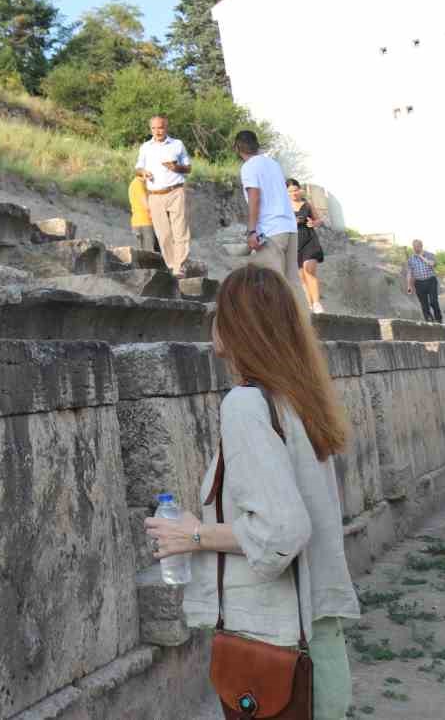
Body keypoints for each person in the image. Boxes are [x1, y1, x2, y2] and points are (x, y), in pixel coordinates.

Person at [145, 265, 358, 720]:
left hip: (275, 650)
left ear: (235, 325)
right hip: (315, 644)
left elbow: (283, 529)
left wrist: (194, 535)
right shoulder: (298, 400)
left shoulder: (245, 404)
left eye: (219, 313)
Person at [235, 131, 305, 314]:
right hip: (289, 228)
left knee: (268, 282)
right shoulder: (273, 164)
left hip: (271, 230)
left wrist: (251, 231)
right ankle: (304, 330)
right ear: (257, 145)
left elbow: (254, 197)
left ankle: (278, 331)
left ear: (238, 148)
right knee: (293, 283)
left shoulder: (248, 167)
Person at [134, 115, 193, 276]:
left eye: (160, 128)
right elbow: (138, 168)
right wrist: (143, 172)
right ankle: (172, 264)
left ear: (166, 127)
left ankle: (179, 266)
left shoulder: (177, 144)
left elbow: (188, 168)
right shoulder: (145, 147)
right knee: (163, 234)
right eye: (153, 128)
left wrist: (176, 167)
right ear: (150, 129)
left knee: (180, 230)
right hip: (155, 194)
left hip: (176, 191)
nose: (157, 131)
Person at [288, 178, 327, 315]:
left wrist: (314, 223)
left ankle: (317, 303)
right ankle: (309, 305)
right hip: (294, 241)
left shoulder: (307, 205)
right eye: (290, 191)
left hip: (309, 238)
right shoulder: (284, 206)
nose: (294, 193)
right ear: (286, 193)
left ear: (300, 190)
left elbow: (319, 220)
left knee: (308, 269)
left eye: (296, 190)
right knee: (301, 277)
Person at [404, 240, 444, 323]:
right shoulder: (411, 259)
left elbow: (432, 264)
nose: (415, 248)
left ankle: (439, 318)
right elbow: (409, 273)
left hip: (431, 281)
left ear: (421, 246)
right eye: (414, 246)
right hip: (419, 283)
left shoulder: (430, 255)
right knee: (424, 304)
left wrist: (421, 257)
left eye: (417, 246)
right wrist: (409, 286)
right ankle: (429, 320)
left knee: (433, 301)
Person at [128, 173, 158, 254]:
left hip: (137, 221)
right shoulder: (139, 184)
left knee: (141, 252)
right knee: (149, 253)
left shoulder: (134, 183)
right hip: (145, 221)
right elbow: (146, 203)